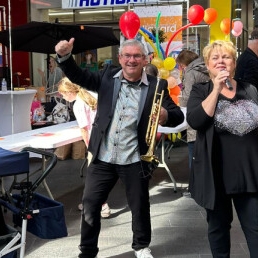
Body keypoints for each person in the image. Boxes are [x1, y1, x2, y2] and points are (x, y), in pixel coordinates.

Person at [55, 38, 184, 258]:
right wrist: (65, 57)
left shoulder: (157, 85)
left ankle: (141, 246)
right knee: (90, 205)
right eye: (127, 56)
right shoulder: (107, 77)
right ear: (120, 58)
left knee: (140, 205)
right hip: (103, 156)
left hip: (134, 157)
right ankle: (87, 251)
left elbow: (177, 115)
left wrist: (166, 115)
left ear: (145, 60)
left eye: (136, 56)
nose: (131, 60)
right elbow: (79, 77)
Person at [187, 40, 258, 258]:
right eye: (215, 58)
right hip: (215, 176)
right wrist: (217, 88)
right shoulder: (201, 90)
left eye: (226, 57)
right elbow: (196, 120)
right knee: (218, 231)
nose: (221, 61)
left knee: (256, 230)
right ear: (207, 65)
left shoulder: (250, 89)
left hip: (250, 174)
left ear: (234, 63)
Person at [57, 77, 111, 218]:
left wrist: (89, 148)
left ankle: (102, 205)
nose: (62, 96)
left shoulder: (78, 105)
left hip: (95, 141)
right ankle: (90, 202)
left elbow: (84, 130)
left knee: (95, 177)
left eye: (63, 93)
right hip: (106, 137)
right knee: (100, 174)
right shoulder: (91, 94)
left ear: (69, 91)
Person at [176, 50, 209, 168]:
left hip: (195, 116)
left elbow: (188, 97)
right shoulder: (207, 67)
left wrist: (180, 102)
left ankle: (195, 185)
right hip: (208, 115)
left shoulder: (190, 72)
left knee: (194, 158)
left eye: (180, 65)